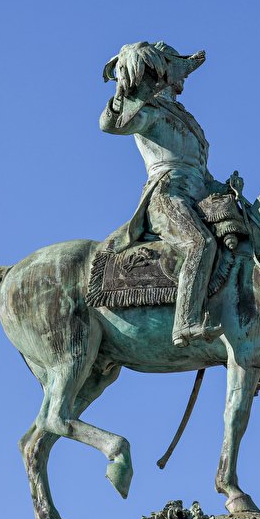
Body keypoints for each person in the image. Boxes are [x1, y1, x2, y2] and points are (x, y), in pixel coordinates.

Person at [100, 41, 227, 348]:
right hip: (168, 196)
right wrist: (122, 94)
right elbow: (112, 125)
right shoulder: (149, 110)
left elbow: (202, 173)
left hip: (200, 197)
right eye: (176, 68)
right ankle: (185, 322)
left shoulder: (186, 117)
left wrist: (225, 190)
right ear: (162, 73)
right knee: (200, 243)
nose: (184, 76)